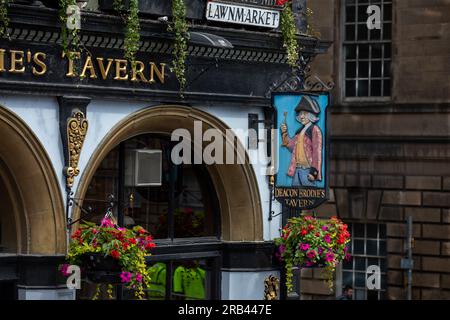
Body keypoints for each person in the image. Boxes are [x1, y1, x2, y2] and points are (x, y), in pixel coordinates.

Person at [280, 95, 323, 187]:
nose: (301, 116)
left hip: (308, 171)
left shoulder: (314, 130)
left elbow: (317, 153)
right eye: (300, 114)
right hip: (297, 170)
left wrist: (314, 172)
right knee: (294, 195)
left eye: (304, 113)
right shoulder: (299, 132)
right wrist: (284, 133)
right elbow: (291, 146)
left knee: (309, 198)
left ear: (311, 115)